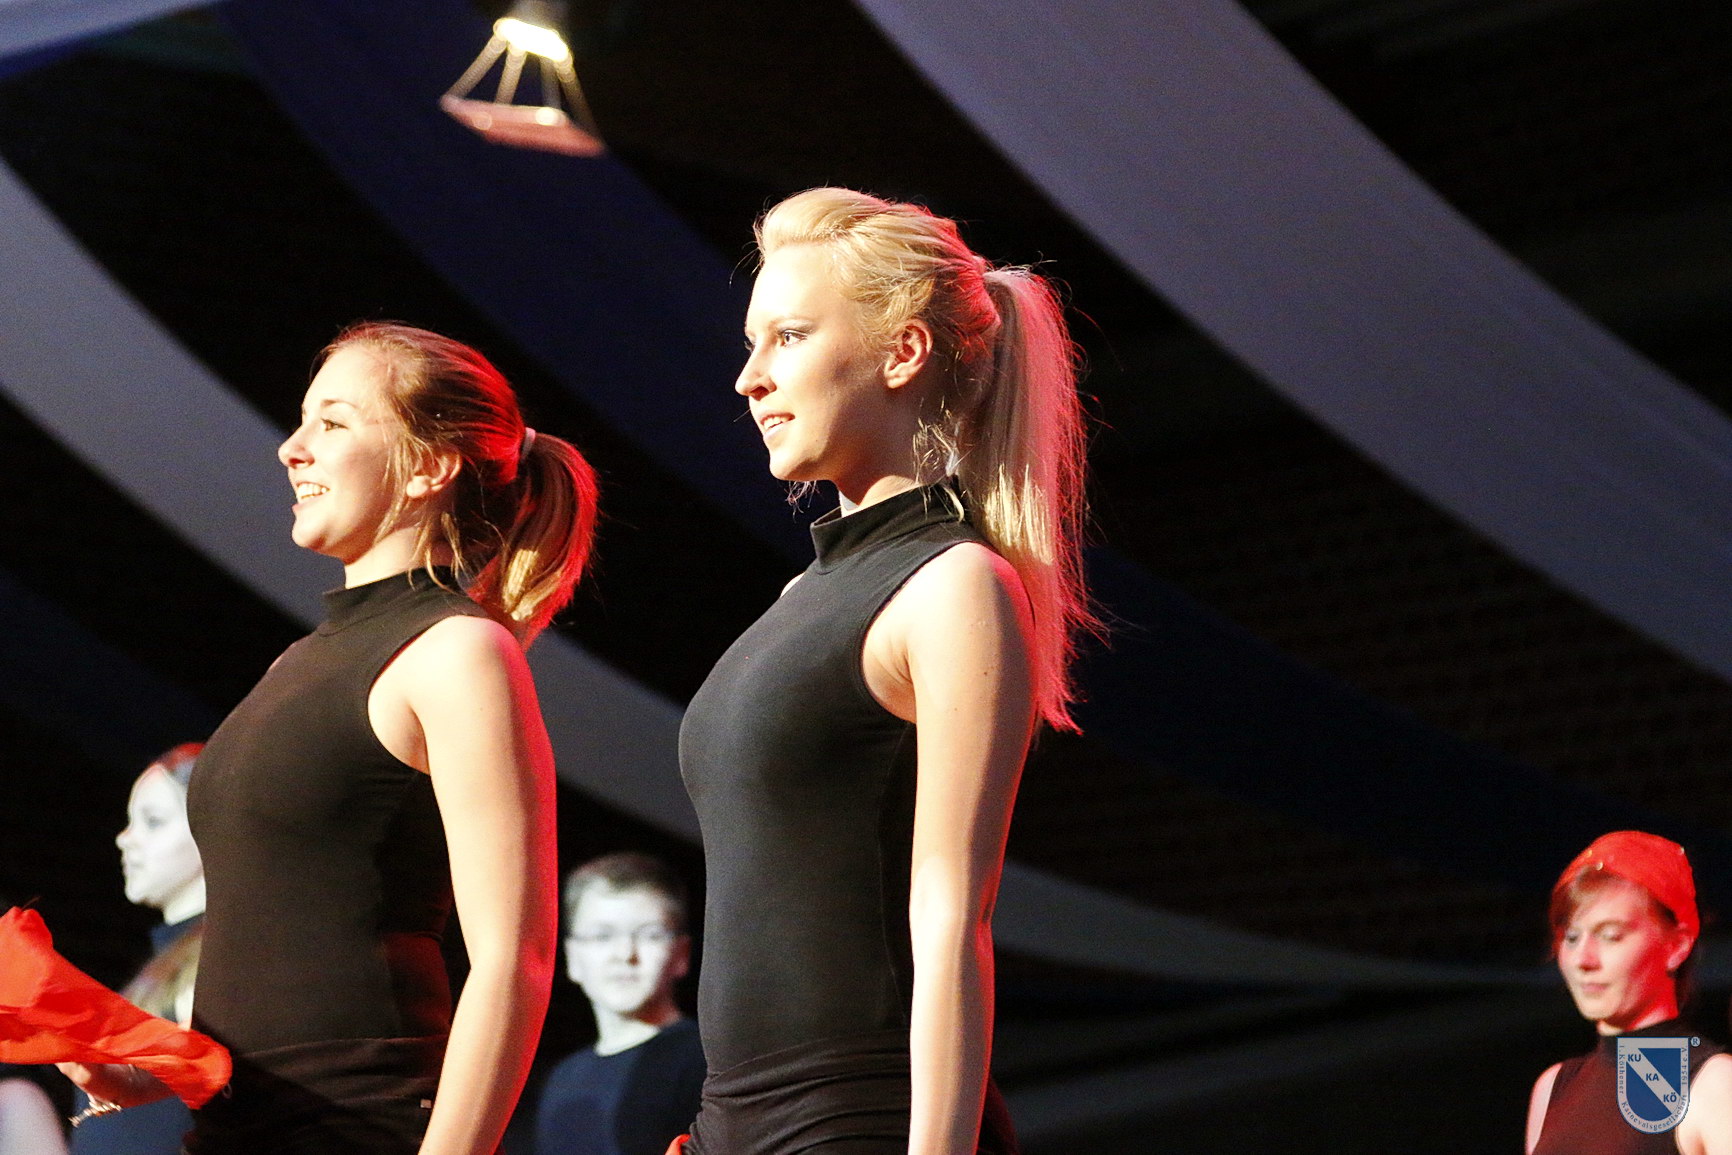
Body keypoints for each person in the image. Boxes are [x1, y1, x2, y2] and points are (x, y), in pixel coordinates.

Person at [60, 322, 598, 1155]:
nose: (291, 448)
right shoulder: (295, 662)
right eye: (302, 419)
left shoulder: (456, 653)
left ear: (428, 466)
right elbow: (286, 937)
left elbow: (513, 959)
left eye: (334, 422)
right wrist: (153, 1069)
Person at [678, 187, 1093, 1154]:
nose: (749, 378)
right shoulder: (802, 597)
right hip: (737, 1120)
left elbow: (953, 916)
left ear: (902, 352)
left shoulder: (953, 585)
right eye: (752, 343)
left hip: (863, 1119)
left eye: (787, 337)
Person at [1526, 830, 1732, 1154]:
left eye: (1610, 935)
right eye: (1571, 937)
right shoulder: (1554, 1087)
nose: (1583, 959)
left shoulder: (1713, 1084)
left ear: (1676, 946)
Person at [70, 742, 206, 1155]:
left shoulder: (216, 963)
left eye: (153, 821)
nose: (125, 839)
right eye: (130, 822)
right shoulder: (161, 970)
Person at [534, 853, 704, 1155]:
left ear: (681, 954)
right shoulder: (563, 1078)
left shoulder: (703, 1063)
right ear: (572, 957)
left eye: (651, 935)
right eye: (602, 936)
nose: (625, 954)